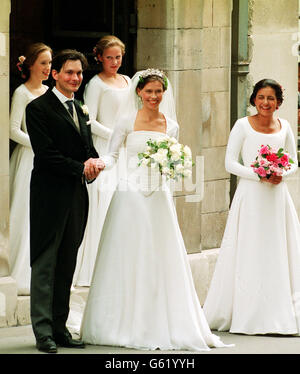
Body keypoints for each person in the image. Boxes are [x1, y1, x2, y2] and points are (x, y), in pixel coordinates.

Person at [80, 69, 230, 351]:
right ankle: (120, 321)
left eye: (158, 92)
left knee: (159, 255)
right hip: (130, 194)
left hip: (158, 195)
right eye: (148, 91)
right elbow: (112, 156)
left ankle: (158, 318)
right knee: (128, 253)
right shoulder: (126, 120)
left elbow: (172, 164)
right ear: (138, 92)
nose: (153, 96)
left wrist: (175, 166)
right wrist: (99, 164)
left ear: (164, 93)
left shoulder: (170, 125)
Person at [203, 79, 300, 335]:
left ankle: (279, 311)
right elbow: (229, 163)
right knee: (250, 247)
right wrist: (259, 174)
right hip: (252, 196)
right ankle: (248, 311)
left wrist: (281, 173)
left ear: (278, 101)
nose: (265, 103)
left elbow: (293, 161)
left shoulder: (285, 126)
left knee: (278, 248)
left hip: (276, 197)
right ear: (254, 99)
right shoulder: (242, 126)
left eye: (271, 98)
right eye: (261, 97)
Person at [26, 49, 104, 353]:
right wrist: (79, 168)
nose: (76, 78)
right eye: (69, 72)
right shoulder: (38, 109)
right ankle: (43, 331)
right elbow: (45, 155)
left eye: (80, 73)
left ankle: (60, 329)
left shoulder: (80, 107)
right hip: (49, 195)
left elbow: (88, 147)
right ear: (54, 73)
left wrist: (94, 165)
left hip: (76, 195)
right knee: (45, 264)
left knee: (67, 264)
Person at [73, 35, 131, 287]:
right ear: (99, 57)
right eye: (109, 57)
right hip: (107, 145)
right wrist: (116, 136)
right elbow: (90, 120)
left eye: (118, 57)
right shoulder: (95, 84)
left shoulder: (128, 81)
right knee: (105, 199)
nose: (114, 62)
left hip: (128, 146)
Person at [9, 42, 52, 295]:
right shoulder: (22, 93)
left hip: (48, 160)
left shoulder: (49, 91)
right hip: (29, 159)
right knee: (25, 211)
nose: (48, 68)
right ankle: (21, 272)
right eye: (43, 63)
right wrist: (39, 145)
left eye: (50, 63)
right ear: (32, 66)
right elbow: (13, 129)